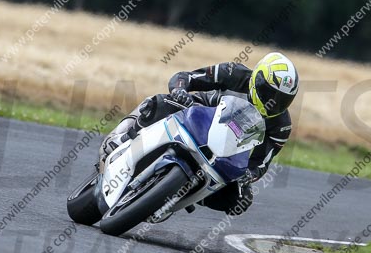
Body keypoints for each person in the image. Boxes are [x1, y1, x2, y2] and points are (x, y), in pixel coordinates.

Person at [100, 52, 299, 215]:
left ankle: (187, 194)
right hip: (198, 115)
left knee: (241, 199)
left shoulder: (281, 126)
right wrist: (181, 90)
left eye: (283, 99)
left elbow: (262, 163)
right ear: (258, 78)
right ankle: (126, 136)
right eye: (270, 92)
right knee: (160, 103)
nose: (274, 102)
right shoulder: (234, 73)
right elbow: (186, 77)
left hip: (227, 151)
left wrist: (249, 175)